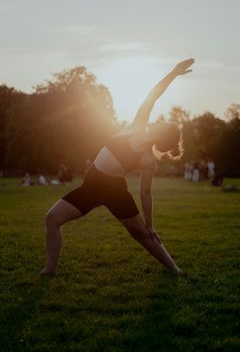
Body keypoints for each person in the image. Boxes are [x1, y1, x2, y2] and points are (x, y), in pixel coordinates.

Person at [40, 58, 195, 276]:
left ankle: (174, 269)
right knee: (52, 218)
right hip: (91, 187)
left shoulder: (148, 160)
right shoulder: (137, 124)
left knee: (141, 234)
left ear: (162, 135)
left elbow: (146, 193)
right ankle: (50, 269)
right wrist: (173, 73)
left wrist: (150, 224)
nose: (158, 122)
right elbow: (153, 94)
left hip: (114, 192)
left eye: (163, 125)